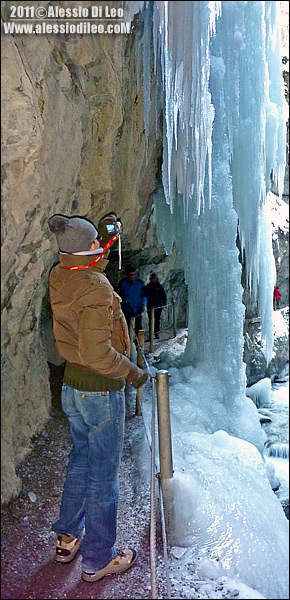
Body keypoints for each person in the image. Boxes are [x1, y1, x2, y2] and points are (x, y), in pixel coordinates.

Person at [48, 213, 148, 583]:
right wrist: (133, 372)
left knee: (81, 462)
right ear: (84, 250)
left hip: (72, 388)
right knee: (104, 476)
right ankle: (97, 559)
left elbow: (88, 259)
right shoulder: (95, 287)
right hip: (99, 390)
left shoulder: (62, 274)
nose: (97, 246)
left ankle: (68, 537)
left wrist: (105, 235)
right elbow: (97, 353)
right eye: (94, 243)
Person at [117, 266, 146, 333]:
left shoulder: (139, 283)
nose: (132, 276)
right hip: (127, 309)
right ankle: (128, 340)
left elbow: (144, 295)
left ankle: (138, 341)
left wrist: (143, 305)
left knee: (138, 326)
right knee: (127, 326)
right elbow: (119, 295)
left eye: (133, 274)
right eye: (130, 275)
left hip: (137, 308)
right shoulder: (123, 283)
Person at [144, 273, 167, 339]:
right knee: (151, 320)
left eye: (155, 279)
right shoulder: (148, 287)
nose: (154, 280)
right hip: (150, 305)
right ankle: (151, 333)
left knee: (157, 320)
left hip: (158, 305)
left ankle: (156, 333)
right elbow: (145, 295)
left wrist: (164, 303)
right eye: (153, 279)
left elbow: (163, 296)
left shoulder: (159, 287)